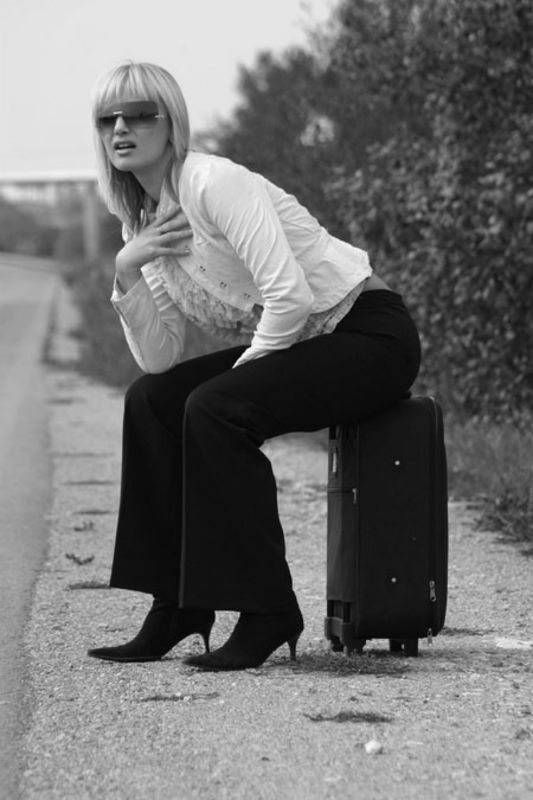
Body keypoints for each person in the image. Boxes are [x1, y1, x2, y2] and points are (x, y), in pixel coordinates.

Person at [87, 61, 421, 671]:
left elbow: (289, 296)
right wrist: (126, 268)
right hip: (305, 343)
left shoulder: (213, 183)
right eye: (108, 119)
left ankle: (268, 608)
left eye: (138, 114)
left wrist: (238, 379)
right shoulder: (144, 222)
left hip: (369, 335)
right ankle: (178, 605)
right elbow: (159, 356)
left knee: (215, 406)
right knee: (152, 401)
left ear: (171, 122)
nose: (121, 129)